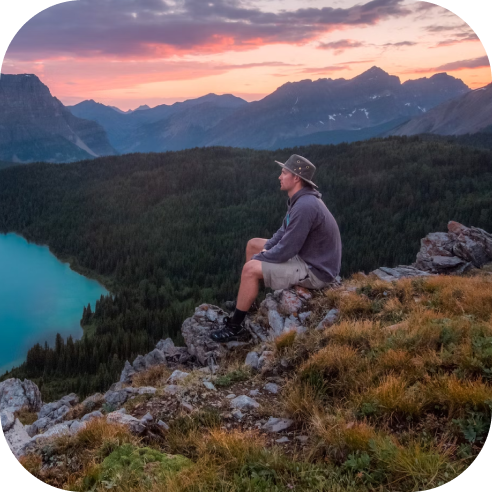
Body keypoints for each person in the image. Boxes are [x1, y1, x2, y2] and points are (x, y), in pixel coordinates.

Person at [209, 154, 342, 343]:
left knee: (250, 269)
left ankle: (234, 326)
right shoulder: (299, 200)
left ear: (296, 178)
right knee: (253, 244)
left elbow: (287, 249)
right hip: (307, 257)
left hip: (316, 271)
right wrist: (263, 251)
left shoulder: (305, 206)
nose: (279, 177)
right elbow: (282, 233)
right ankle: (250, 302)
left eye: (283, 172)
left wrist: (262, 257)